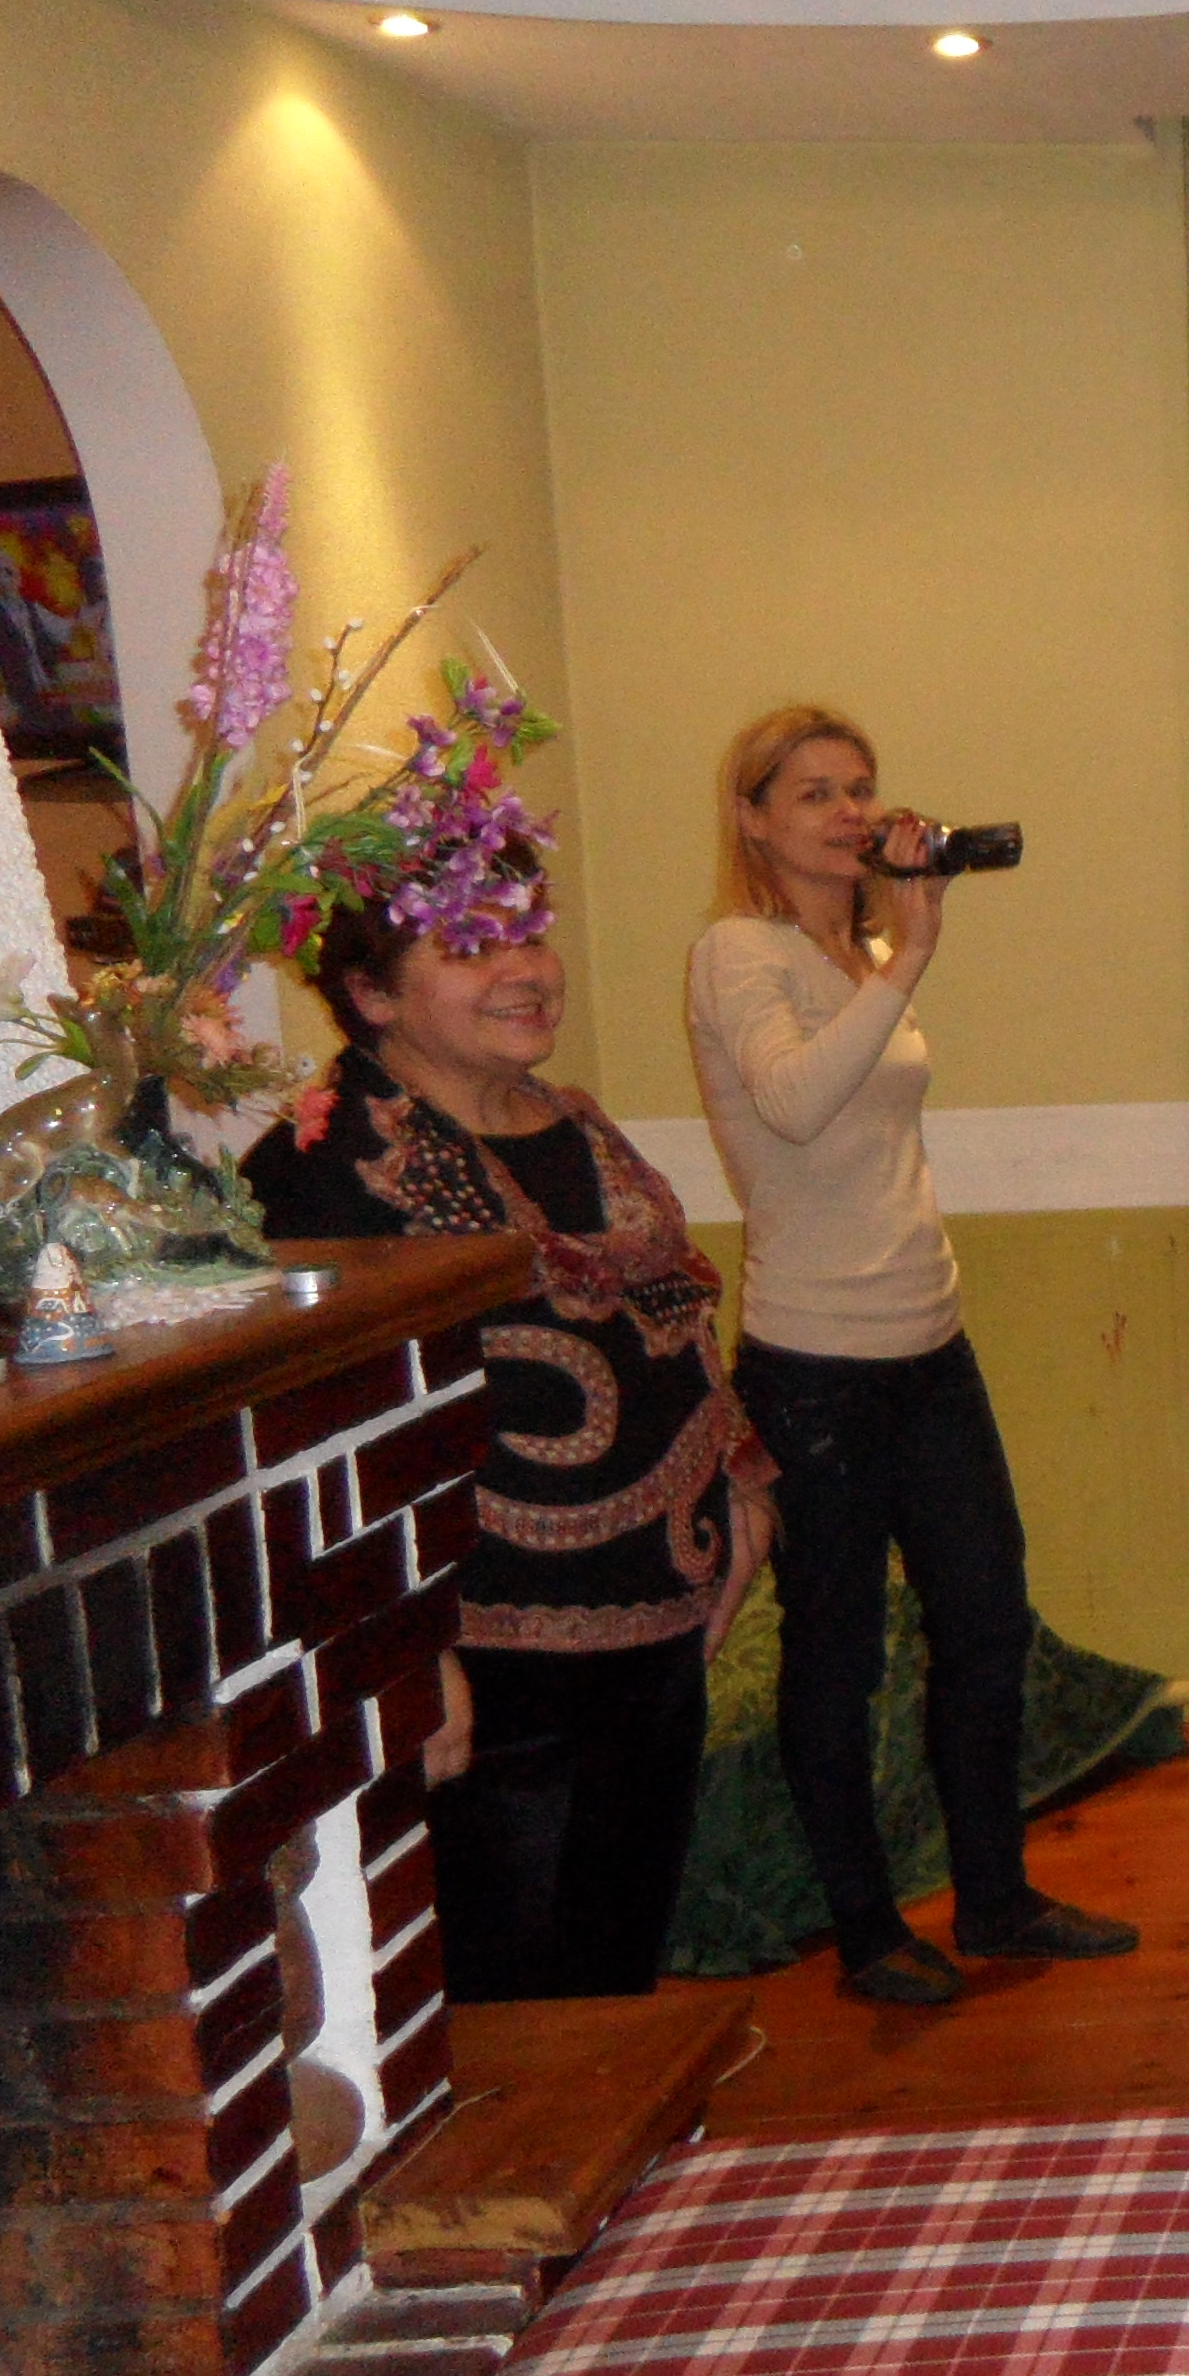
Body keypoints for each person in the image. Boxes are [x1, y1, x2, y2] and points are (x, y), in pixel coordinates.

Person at [245, 729, 769, 2002]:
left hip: (656, 1628)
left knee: (616, 1978)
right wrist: (403, 1648)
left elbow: (674, 1312)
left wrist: (747, 1484)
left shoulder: (571, 1120)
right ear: (372, 993)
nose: (527, 969)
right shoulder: (320, 1171)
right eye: (473, 945)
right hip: (481, 1670)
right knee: (506, 2007)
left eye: (529, 931)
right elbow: (325, 1437)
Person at [688, 703, 1134, 2006]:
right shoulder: (739, 952)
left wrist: (895, 943)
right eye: (814, 792)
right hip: (813, 1362)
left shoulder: (867, 950)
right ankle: (869, 1930)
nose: (850, 812)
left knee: (987, 1623)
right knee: (839, 1655)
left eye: (861, 787)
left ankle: (994, 1898)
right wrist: (915, 950)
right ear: (753, 819)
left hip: (931, 1341)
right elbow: (793, 1102)